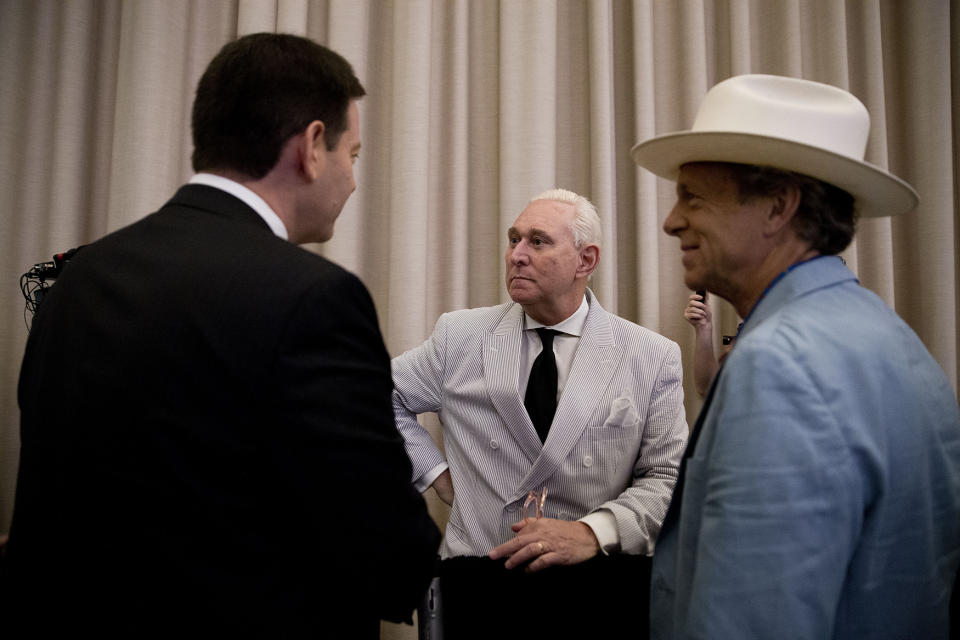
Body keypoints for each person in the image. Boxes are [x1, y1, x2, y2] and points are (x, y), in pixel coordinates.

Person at [2, 33, 440, 638]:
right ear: (313, 146)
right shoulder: (314, 299)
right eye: (354, 155)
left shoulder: (76, 278)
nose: (353, 180)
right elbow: (391, 558)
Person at [631, 74, 960, 639]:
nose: (671, 221)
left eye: (693, 197)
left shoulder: (778, 367)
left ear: (779, 206)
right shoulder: (894, 339)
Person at [392, 188, 688, 637]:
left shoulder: (650, 355)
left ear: (585, 261)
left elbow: (668, 480)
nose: (517, 255)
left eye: (538, 241)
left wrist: (592, 533)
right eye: (514, 240)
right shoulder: (462, 337)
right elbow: (376, 394)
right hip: (479, 580)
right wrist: (434, 473)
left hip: (599, 588)